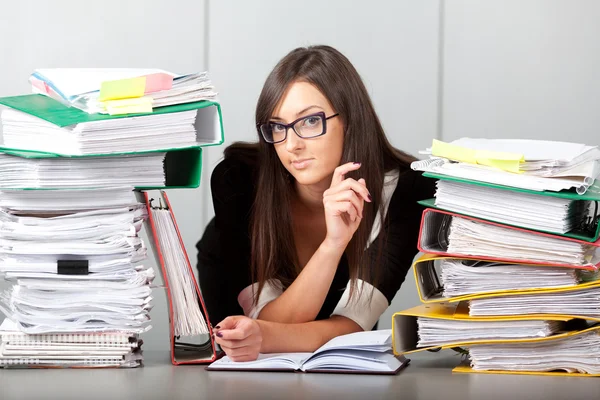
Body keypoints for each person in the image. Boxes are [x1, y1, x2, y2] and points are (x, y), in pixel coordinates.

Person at [196, 45, 435, 362]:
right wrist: (332, 246)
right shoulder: (240, 179)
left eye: (309, 121)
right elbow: (268, 321)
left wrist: (337, 241)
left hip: (324, 351)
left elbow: (351, 328)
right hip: (241, 341)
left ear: (349, 120)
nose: (291, 145)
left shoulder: (405, 189)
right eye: (278, 126)